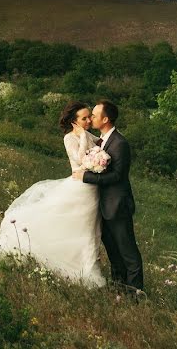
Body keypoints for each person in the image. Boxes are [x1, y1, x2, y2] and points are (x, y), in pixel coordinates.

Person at [0, 101, 106, 288]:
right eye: (84, 118)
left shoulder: (85, 133)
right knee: (77, 228)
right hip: (79, 187)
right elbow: (81, 160)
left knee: (89, 230)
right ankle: (77, 269)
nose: (88, 120)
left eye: (89, 116)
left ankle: (87, 266)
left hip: (91, 188)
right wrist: (81, 138)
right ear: (74, 121)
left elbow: (100, 144)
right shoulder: (70, 138)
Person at [72, 100, 144, 293]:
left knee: (127, 251)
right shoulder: (102, 140)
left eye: (94, 115)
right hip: (104, 205)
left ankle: (137, 292)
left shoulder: (120, 143)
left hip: (118, 204)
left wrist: (86, 176)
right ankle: (119, 287)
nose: (91, 118)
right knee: (113, 252)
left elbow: (117, 176)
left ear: (105, 119)